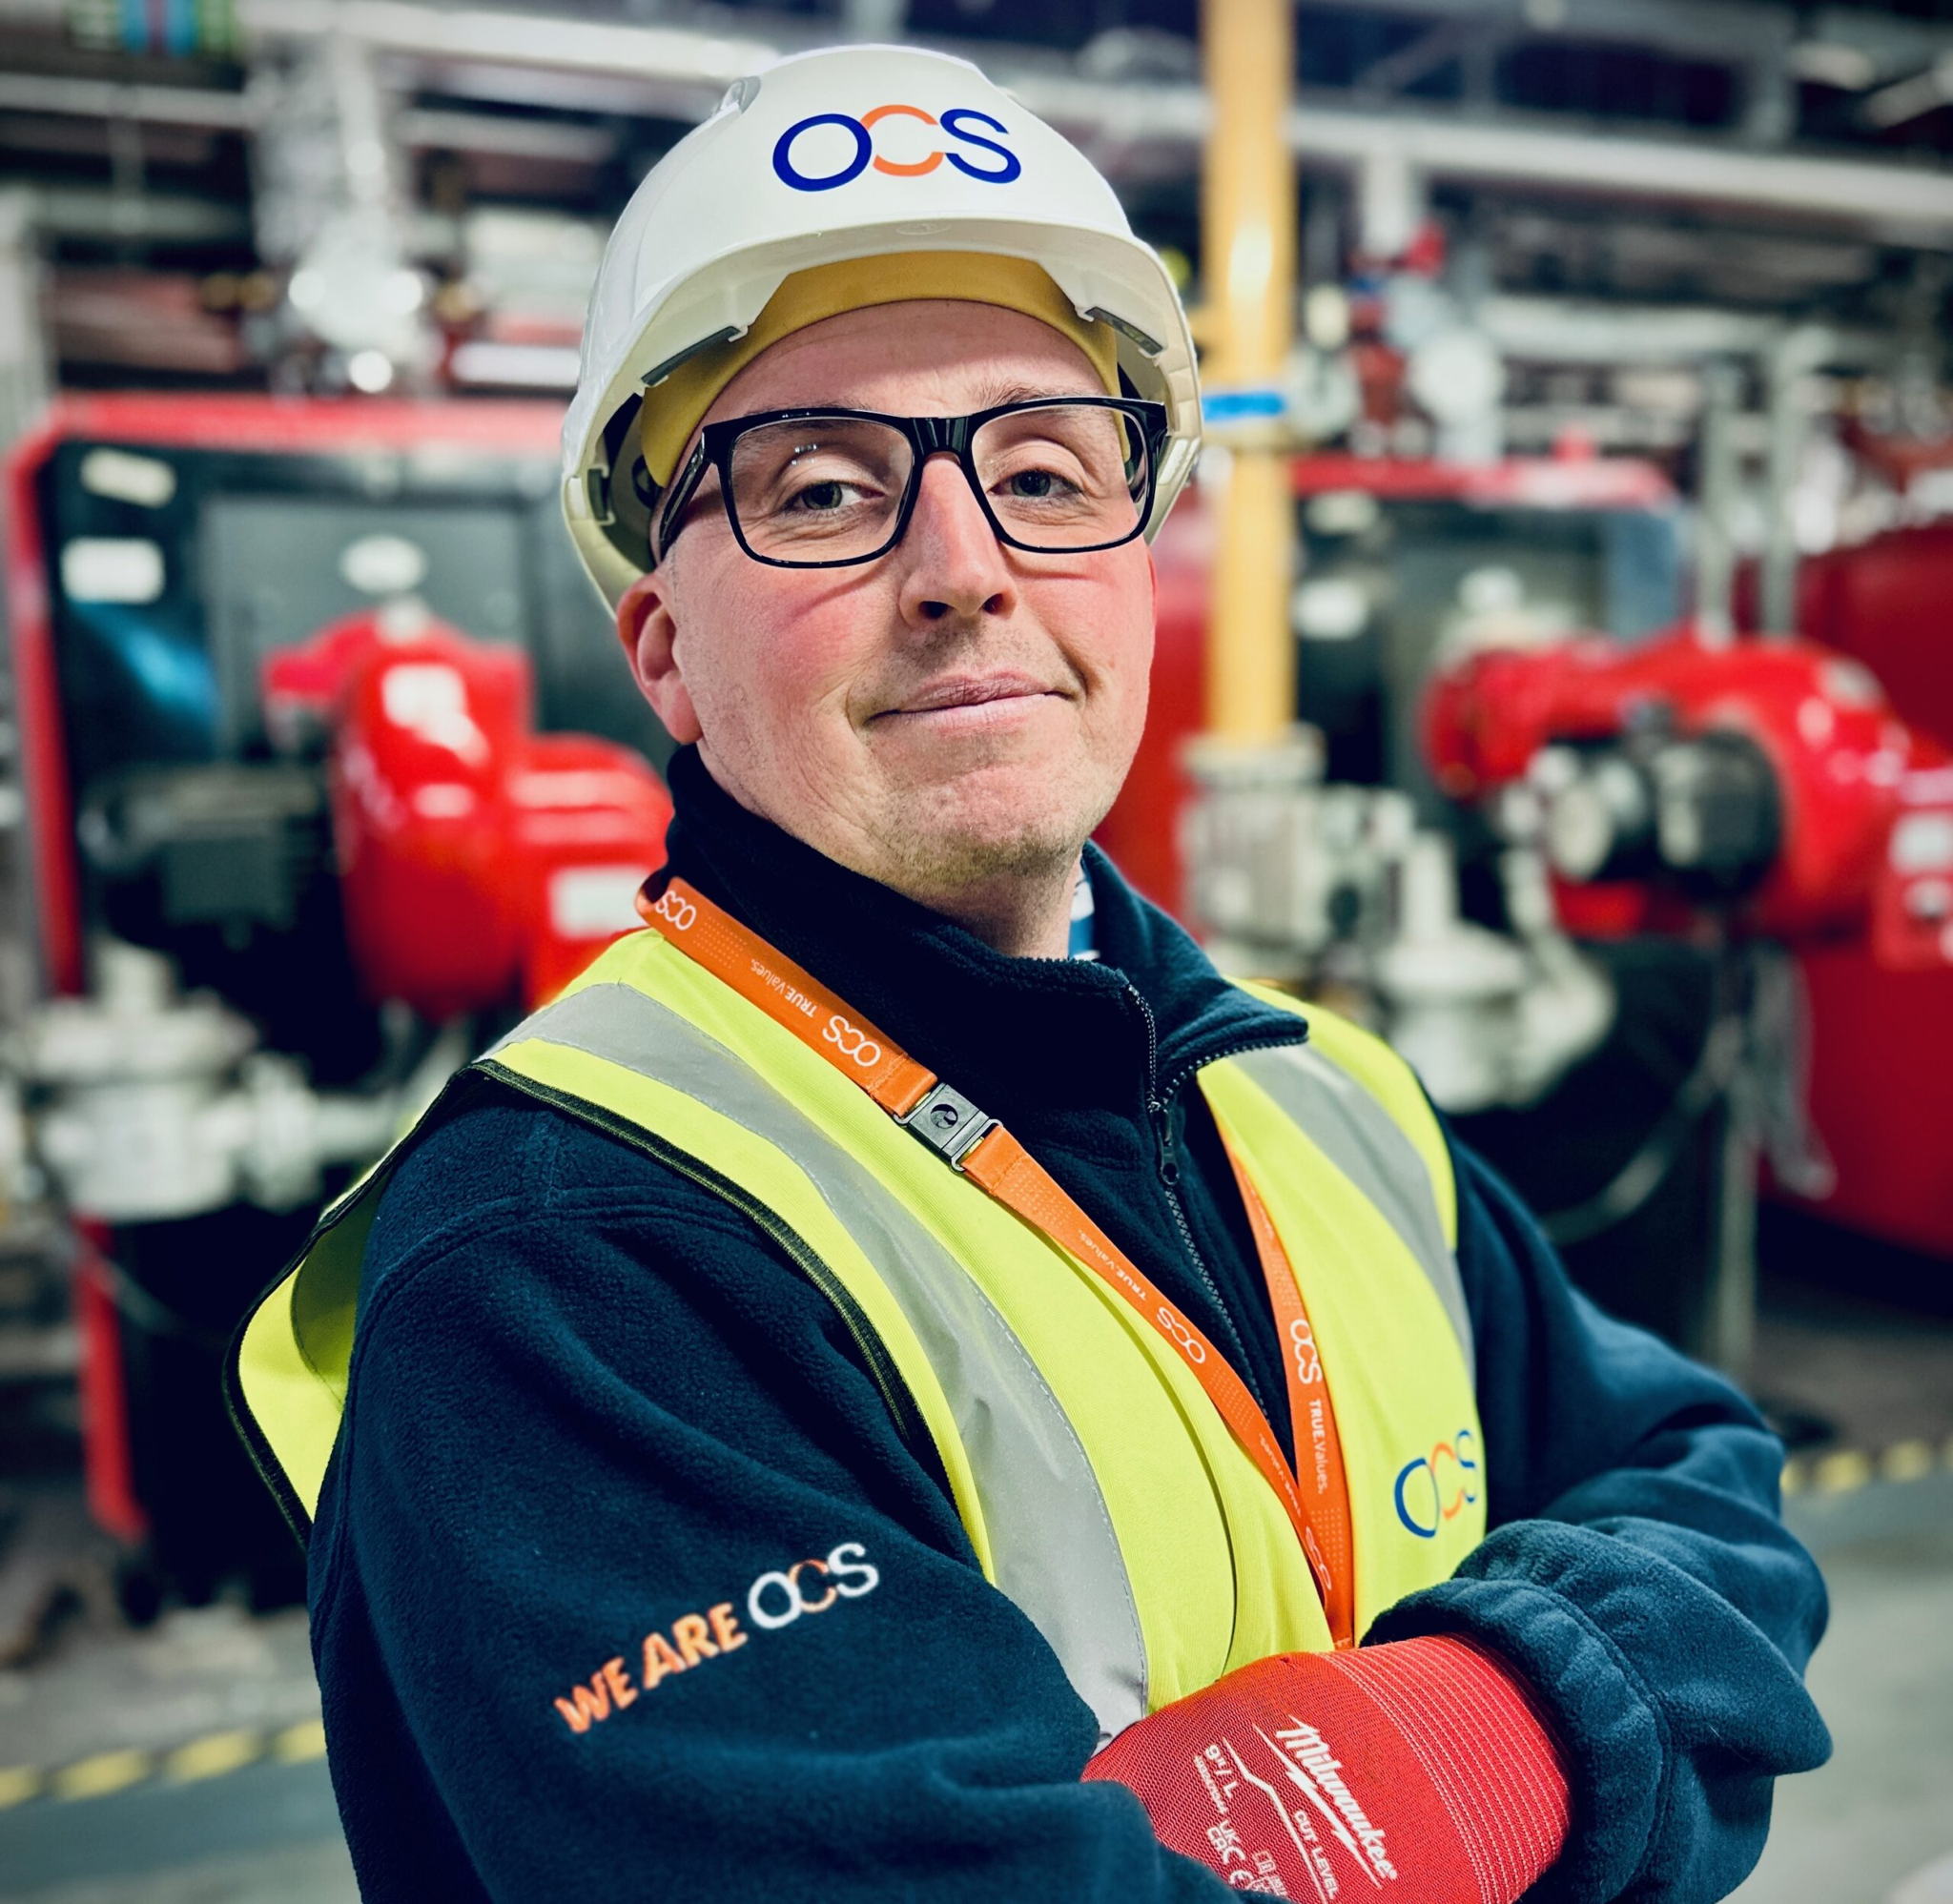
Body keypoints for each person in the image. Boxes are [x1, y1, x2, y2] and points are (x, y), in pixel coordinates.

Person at [233, 42, 1829, 1904]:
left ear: (1130, 566)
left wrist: (1463, 1735)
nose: (962, 564)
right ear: (662, 648)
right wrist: (1567, 1765)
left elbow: (1720, 1500)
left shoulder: (1312, 1092)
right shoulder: (562, 1264)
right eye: (821, 492)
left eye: (1045, 470)